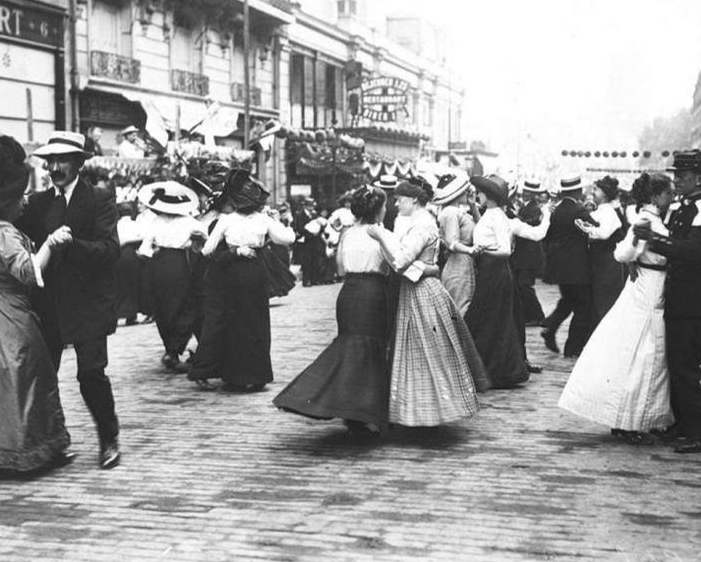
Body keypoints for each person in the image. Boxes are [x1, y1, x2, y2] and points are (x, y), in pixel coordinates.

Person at [2, 131, 122, 469]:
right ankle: (53, 443)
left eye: (62, 161)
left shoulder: (100, 199)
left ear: (79, 163)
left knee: (91, 375)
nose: (54, 167)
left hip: (89, 305)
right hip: (49, 305)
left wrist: (71, 246)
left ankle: (108, 439)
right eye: (50, 161)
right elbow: (3, 223)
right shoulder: (38, 203)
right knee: (44, 376)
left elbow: (110, 250)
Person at [0, 135, 72, 476]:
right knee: (25, 374)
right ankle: (26, 451)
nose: (25, 201)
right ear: (6, 201)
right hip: (6, 313)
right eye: (20, 196)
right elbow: (28, 272)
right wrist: (52, 242)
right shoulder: (5, 233)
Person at [558, 173, 676, 444]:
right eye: (668, 194)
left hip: (650, 287)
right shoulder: (647, 221)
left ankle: (646, 417)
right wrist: (636, 252)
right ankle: (629, 420)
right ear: (656, 196)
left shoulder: (653, 219)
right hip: (648, 289)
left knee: (648, 353)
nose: (672, 198)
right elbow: (622, 253)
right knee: (644, 353)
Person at [273, 185, 394, 436]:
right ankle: (364, 410)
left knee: (351, 347)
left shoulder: (348, 234)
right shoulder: (382, 234)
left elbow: (339, 268)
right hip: (373, 292)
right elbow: (395, 263)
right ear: (378, 210)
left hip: (349, 292)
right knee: (371, 350)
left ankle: (350, 408)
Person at [367, 177, 489, 427]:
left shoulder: (422, 225)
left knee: (423, 349)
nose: (396, 204)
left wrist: (381, 237)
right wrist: (427, 268)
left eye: (400, 200)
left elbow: (401, 261)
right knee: (424, 349)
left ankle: (427, 410)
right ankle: (423, 409)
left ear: (413, 200)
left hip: (420, 291)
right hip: (421, 287)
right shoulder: (421, 222)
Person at [633, 150, 701, 453]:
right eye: (674, 175)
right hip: (680, 298)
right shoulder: (685, 208)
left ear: (699, 178)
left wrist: (654, 241)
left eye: (681, 176)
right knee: (675, 365)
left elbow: (693, 252)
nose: (676, 180)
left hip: (694, 301)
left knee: (685, 368)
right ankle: (683, 425)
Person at [188, 169, 295, 391]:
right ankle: (256, 375)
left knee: (234, 323)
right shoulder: (264, 220)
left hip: (231, 274)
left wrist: (227, 248)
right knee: (256, 322)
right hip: (256, 271)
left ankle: (234, 375)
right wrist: (278, 222)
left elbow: (208, 250)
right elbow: (287, 238)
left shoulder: (226, 220)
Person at [464, 174, 531, 388]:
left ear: (489, 195)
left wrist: (483, 251)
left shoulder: (498, 218)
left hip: (495, 271)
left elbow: (505, 250)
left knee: (490, 319)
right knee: (491, 320)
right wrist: (473, 207)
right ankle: (495, 369)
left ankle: (496, 370)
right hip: (489, 271)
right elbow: (482, 227)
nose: (478, 196)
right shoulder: (490, 214)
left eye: (480, 193)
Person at [136, 181, 205, 372]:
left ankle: (170, 350)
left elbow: (144, 249)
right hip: (180, 263)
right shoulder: (190, 222)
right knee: (185, 306)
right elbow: (205, 239)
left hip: (158, 264)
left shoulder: (154, 222)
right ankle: (174, 350)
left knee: (164, 308)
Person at [542, 174, 595, 358]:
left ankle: (550, 325)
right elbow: (596, 227)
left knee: (569, 300)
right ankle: (572, 348)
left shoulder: (557, 210)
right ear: (578, 191)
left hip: (560, 268)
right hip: (577, 267)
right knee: (583, 307)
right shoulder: (578, 210)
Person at [576, 176, 627, 331]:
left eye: (596, 189)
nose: (593, 192)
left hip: (607, 262)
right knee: (600, 300)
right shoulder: (602, 211)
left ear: (604, 194)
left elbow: (604, 233)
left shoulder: (609, 211)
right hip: (600, 261)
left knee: (605, 301)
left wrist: (587, 229)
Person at [433, 172, 478, 316]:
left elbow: (480, 226)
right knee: (461, 304)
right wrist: (470, 250)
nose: (468, 193)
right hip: (459, 263)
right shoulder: (451, 212)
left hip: (463, 262)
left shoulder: (458, 211)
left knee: (463, 302)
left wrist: (472, 205)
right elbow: (452, 242)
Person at [512, 179, 549, 327]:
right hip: (525, 254)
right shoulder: (528, 207)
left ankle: (538, 315)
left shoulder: (533, 208)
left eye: (529, 191)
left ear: (534, 194)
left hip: (529, 254)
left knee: (524, 286)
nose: (525, 193)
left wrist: (516, 219)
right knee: (523, 286)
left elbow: (530, 222)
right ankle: (530, 315)